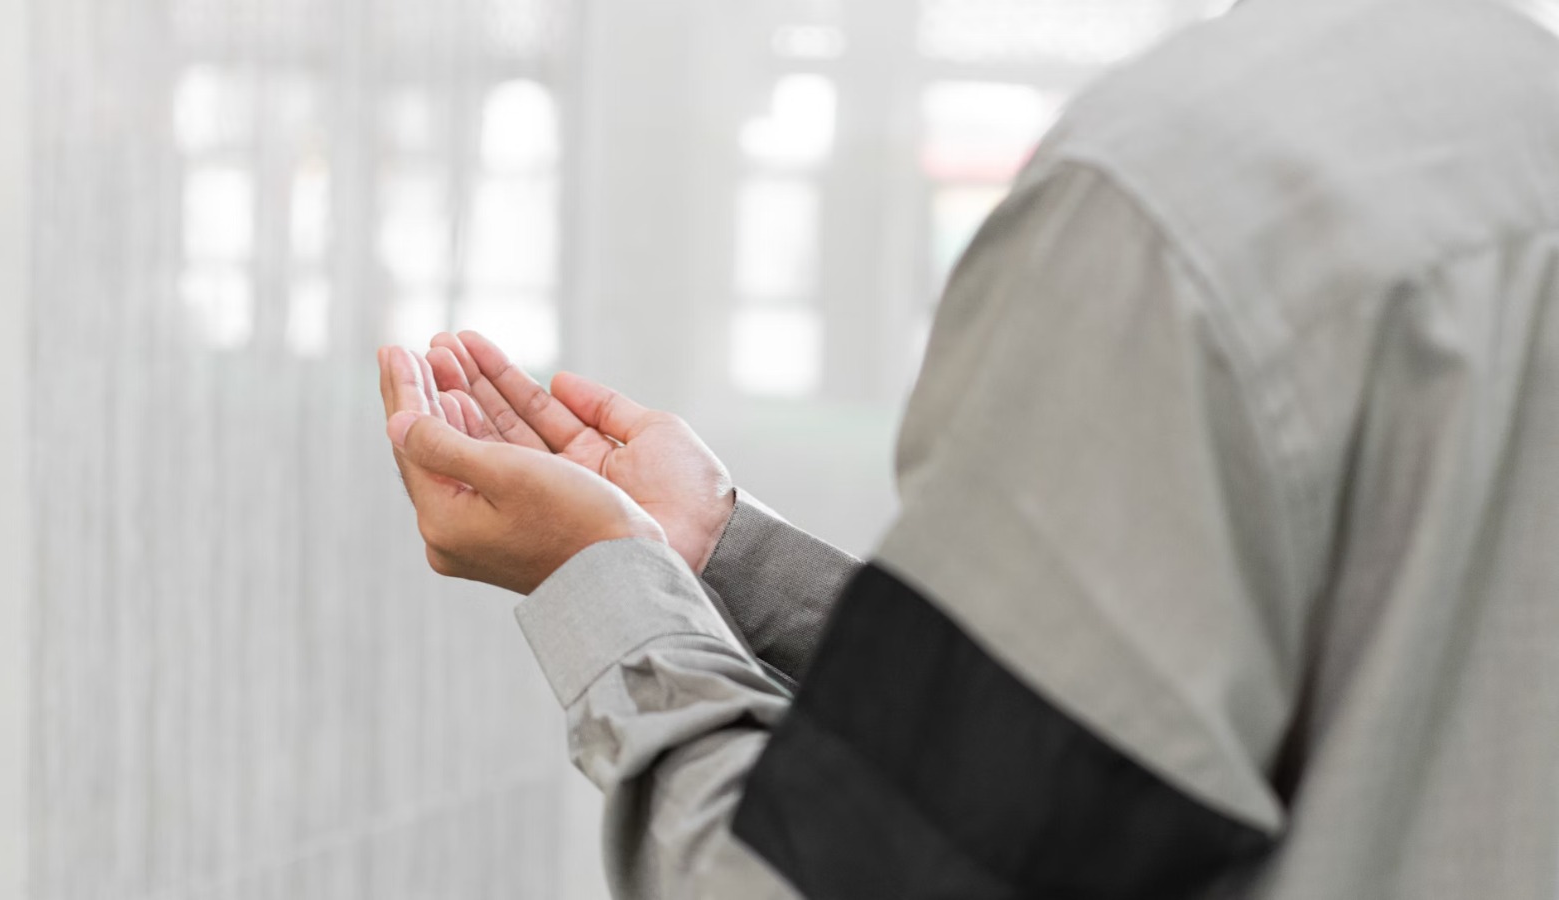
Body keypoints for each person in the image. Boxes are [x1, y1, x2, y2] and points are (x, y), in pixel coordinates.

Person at [377, 0, 1559, 896]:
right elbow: (1129, 746)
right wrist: (725, 556)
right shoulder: (1515, 136)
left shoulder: (1175, 204)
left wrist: (610, 593)